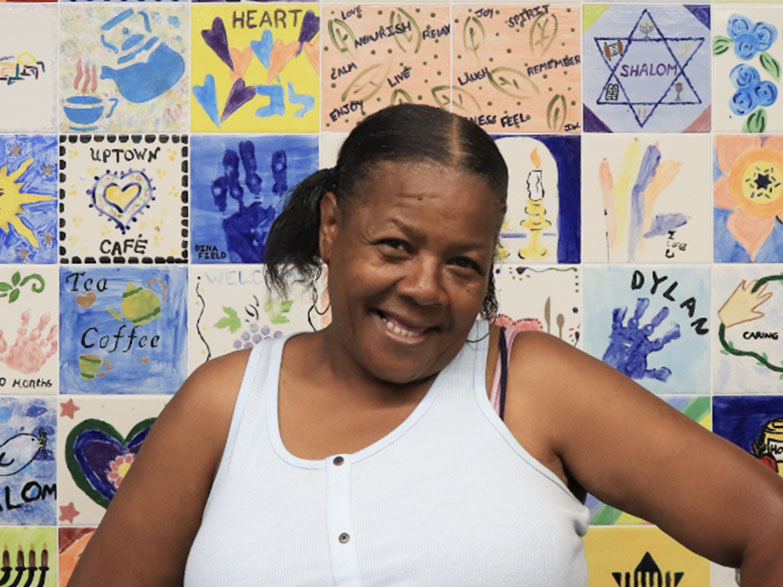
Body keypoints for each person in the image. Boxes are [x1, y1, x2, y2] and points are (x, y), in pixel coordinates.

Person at [69, 104, 783, 586]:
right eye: (394, 246)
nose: (424, 287)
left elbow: (768, 525)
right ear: (330, 226)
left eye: (462, 263)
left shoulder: (531, 387)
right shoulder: (224, 402)